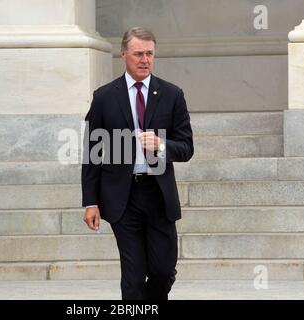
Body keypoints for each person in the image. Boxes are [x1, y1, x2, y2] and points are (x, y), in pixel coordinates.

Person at [81, 27, 194, 300]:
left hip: (158, 195)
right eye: (138, 54)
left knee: (163, 270)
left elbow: (187, 148)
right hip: (123, 197)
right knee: (132, 275)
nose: (145, 60)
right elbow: (92, 152)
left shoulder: (171, 94)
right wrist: (91, 202)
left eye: (150, 54)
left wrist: (162, 145)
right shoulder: (104, 97)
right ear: (123, 55)